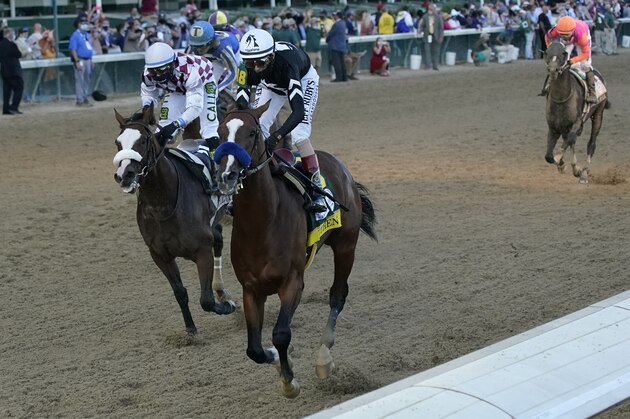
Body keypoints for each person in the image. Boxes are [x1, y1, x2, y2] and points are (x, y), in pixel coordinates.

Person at [235, 29, 326, 212]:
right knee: (258, 127)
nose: (256, 68)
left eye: (260, 63)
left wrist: (276, 136)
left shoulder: (288, 65)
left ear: (272, 56)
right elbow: (241, 95)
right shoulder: (245, 66)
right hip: (271, 85)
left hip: (303, 78)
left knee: (299, 134)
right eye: (250, 63)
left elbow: (298, 112)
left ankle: (318, 190)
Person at [545, 15, 596, 103]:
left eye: (566, 35)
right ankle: (550, 83)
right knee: (559, 61)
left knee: (585, 65)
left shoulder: (581, 36)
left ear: (572, 31)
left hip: (582, 35)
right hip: (572, 36)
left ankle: (592, 93)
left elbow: (585, 53)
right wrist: (550, 49)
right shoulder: (556, 30)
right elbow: (547, 37)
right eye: (561, 34)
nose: (564, 37)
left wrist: (572, 61)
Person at [188, 20, 241, 93]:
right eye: (195, 46)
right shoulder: (193, 47)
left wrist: (218, 89)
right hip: (216, 55)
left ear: (210, 42)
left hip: (234, 53)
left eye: (201, 46)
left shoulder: (223, 48)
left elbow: (233, 72)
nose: (198, 49)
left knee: (235, 85)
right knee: (207, 83)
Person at [68, 17, 94, 107]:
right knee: (80, 80)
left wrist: (91, 60)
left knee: (86, 79)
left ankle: (84, 96)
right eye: (83, 23)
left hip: (88, 60)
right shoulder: (75, 35)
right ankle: (80, 100)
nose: (85, 24)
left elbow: (89, 47)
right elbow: (73, 49)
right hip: (80, 59)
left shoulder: (86, 34)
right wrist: (77, 61)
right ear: (78, 24)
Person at [0, 28, 24, 115]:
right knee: (19, 87)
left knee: (7, 90)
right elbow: (19, 54)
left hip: (4, 70)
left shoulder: (1, 44)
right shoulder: (12, 45)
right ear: (9, 34)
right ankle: (14, 107)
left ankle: (6, 109)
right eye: (12, 33)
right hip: (13, 71)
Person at [418, 4, 444, 71]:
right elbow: (422, 25)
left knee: (436, 51)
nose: (430, 10)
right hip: (427, 35)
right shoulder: (425, 17)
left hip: (436, 36)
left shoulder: (438, 17)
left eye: (431, 9)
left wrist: (441, 36)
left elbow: (441, 28)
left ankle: (435, 65)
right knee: (427, 50)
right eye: (429, 9)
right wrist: (420, 30)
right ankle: (428, 65)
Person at [327, 11, 348, 82]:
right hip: (342, 46)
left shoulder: (336, 24)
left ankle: (339, 78)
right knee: (342, 63)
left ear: (337, 16)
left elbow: (330, 34)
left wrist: (327, 39)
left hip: (335, 46)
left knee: (337, 63)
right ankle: (344, 77)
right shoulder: (343, 23)